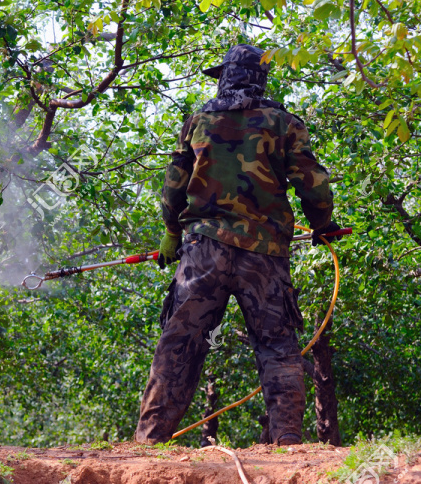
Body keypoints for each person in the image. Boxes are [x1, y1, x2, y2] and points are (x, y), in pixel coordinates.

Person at [135, 44, 340, 446]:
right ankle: (286, 441)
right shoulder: (284, 122)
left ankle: (150, 441)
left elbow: (174, 183)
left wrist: (171, 233)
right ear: (261, 78)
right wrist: (323, 224)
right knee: (277, 345)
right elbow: (313, 183)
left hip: (202, 252)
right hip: (264, 255)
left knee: (180, 342)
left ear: (226, 76)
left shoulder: (199, 120)